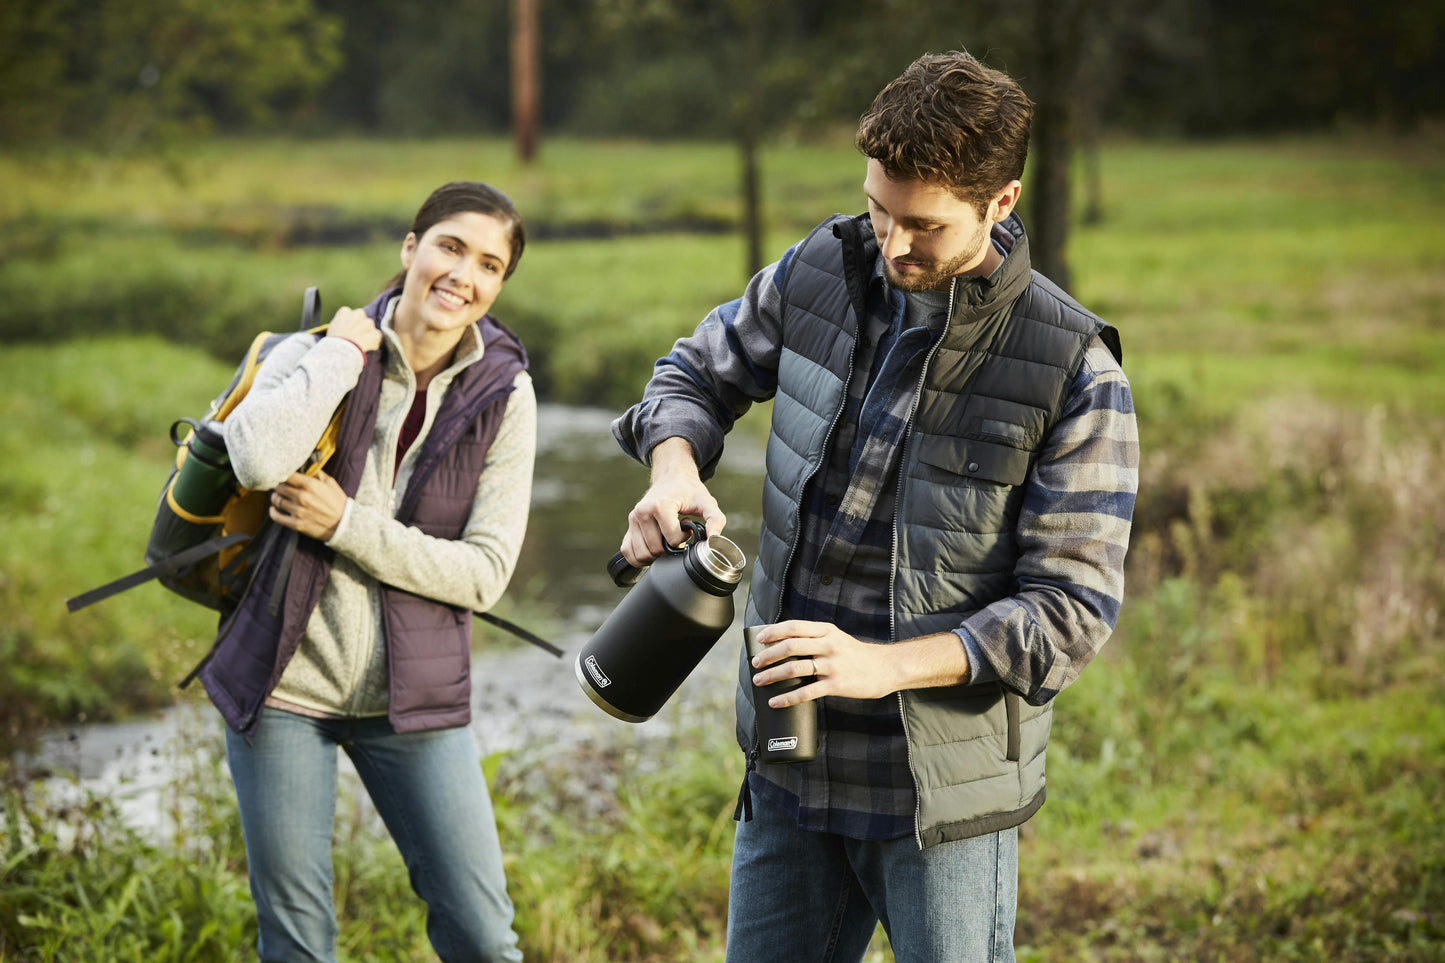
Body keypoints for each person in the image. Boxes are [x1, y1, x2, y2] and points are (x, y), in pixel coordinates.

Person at [612, 51, 1139, 962]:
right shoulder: (821, 269)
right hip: (786, 762)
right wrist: (671, 467)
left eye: (924, 226)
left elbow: (1068, 614)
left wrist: (881, 666)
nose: (892, 244)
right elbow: (691, 372)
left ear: (1000, 203)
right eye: (877, 209)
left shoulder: (1074, 371)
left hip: (938, 798)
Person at [199, 181, 535, 962]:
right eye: (450, 246)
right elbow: (251, 454)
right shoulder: (317, 347)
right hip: (282, 685)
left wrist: (345, 523)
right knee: (298, 940)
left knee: (484, 936)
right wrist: (344, 355)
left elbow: (485, 574)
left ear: (497, 287)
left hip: (413, 696)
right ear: (410, 249)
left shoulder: (504, 395)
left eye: (489, 264)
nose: (463, 275)